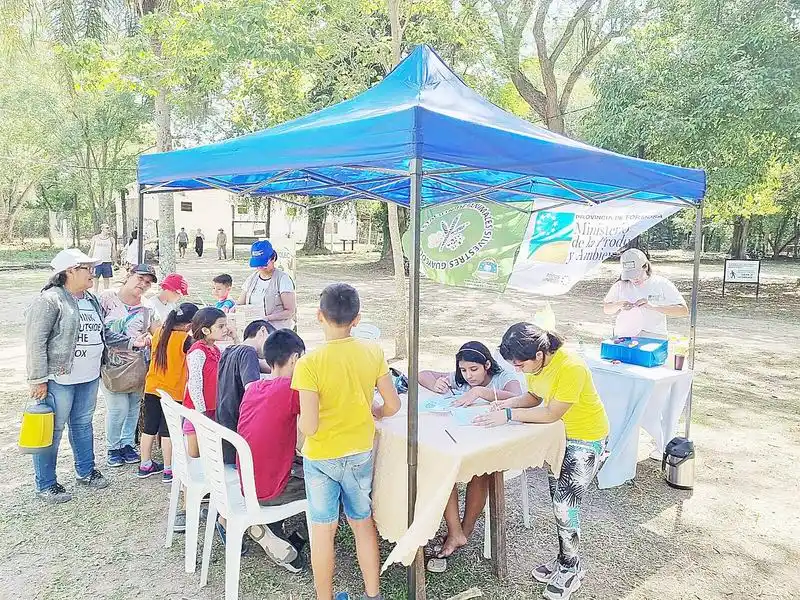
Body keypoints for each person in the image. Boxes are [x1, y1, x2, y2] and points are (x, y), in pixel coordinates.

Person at [475, 323, 610, 600]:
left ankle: (571, 569)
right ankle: (565, 561)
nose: (517, 369)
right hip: (558, 438)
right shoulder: (536, 366)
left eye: (520, 363)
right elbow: (534, 397)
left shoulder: (572, 366)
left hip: (586, 439)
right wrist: (508, 404)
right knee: (559, 504)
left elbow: (551, 413)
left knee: (564, 505)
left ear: (540, 353)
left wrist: (509, 417)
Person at [292, 283, 401, 600]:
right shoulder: (372, 351)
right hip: (359, 453)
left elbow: (309, 426)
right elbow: (392, 406)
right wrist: (375, 410)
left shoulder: (309, 363)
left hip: (322, 457)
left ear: (319, 316)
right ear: (357, 318)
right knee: (362, 523)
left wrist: (300, 422)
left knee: (323, 532)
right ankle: (373, 594)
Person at [25, 248, 136, 503]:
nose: (93, 273)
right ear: (69, 272)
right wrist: (38, 378)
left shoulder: (91, 299)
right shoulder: (50, 300)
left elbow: (103, 334)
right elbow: (35, 341)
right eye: (87, 268)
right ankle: (46, 484)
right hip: (59, 378)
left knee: (83, 425)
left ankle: (85, 471)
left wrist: (131, 341)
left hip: (88, 377)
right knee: (53, 430)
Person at [418, 341, 522, 567]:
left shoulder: (504, 377)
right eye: (463, 370)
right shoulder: (460, 378)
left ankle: (465, 529)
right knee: (443, 467)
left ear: (487, 364)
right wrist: (436, 383)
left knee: (482, 472)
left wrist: (481, 392)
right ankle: (455, 531)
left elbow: (519, 397)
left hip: (494, 447)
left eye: (474, 370)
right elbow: (422, 374)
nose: (468, 376)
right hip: (462, 440)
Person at [236, 329, 308, 572]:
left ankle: (275, 532)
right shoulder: (292, 390)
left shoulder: (255, 388)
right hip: (273, 486)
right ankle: (299, 536)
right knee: (334, 485)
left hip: (248, 480)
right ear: (296, 359)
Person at [99, 263, 158, 467]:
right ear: (129, 275)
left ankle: (126, 444)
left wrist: (152, 337)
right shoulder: (106, 298)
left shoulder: (147, 307)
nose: (143, 284)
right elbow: (99, 331)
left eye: (148, 282)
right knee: (118, 408)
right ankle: (112, 447)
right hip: (111, 366)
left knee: (133, 406)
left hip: (137, 366)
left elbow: (157, 331)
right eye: (140, 278)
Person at [140, 302, 199, 482]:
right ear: (190, 325)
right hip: (173, 392)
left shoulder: (159, 332)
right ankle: (168, 468)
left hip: (152, 387)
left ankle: (145, 464)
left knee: (149, 427)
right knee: (168, 430)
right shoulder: (185, 340)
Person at [215, 319, 271, 463]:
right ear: (262, 331)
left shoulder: (230, 350)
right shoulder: (248, 352)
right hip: (239, 427)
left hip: (224, 422)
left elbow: (267, 366)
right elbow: (252, 390)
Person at [603, 248, 688, 339]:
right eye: (630, 275)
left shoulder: (661, 283)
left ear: (645, 267)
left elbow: (683, 310)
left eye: (637, 274)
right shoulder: (620, 285)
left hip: (653, 337)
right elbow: (607, 309)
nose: (634, 279)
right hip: (624, 335)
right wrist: (619, 305)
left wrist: (653, 307)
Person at [183, 307, 227, 457]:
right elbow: (194, 383)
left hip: (213, 407)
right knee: (196, 454)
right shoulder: (198, 351)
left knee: (210, 452)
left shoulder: (215, 349)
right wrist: (202, 413)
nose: (225, 329)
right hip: (199, 410)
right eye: (221, 326)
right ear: (206, 330)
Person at [238, 240, 296, 331]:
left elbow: (290, 311)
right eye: (258, 265)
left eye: (264, 264)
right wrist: (231, 307)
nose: (260, 268)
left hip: (277, 331)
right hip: (255, 332)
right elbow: (240, 304)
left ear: (273, 259)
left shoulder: (283, 279)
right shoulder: (251, 279)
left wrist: (267, 318)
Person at [89, 224, 116, 292]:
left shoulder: (111, 239)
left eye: (109, 228)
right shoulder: (95, 238)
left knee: (106, 279)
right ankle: (95, 293)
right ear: (102, 228)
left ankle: (106, 293)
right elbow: (91, 249)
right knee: (95, 278)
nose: (108, 229)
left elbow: (113, 250)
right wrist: (88, 260)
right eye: (107, 228)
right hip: (97, 261)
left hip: (107, 261)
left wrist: (115, 261)